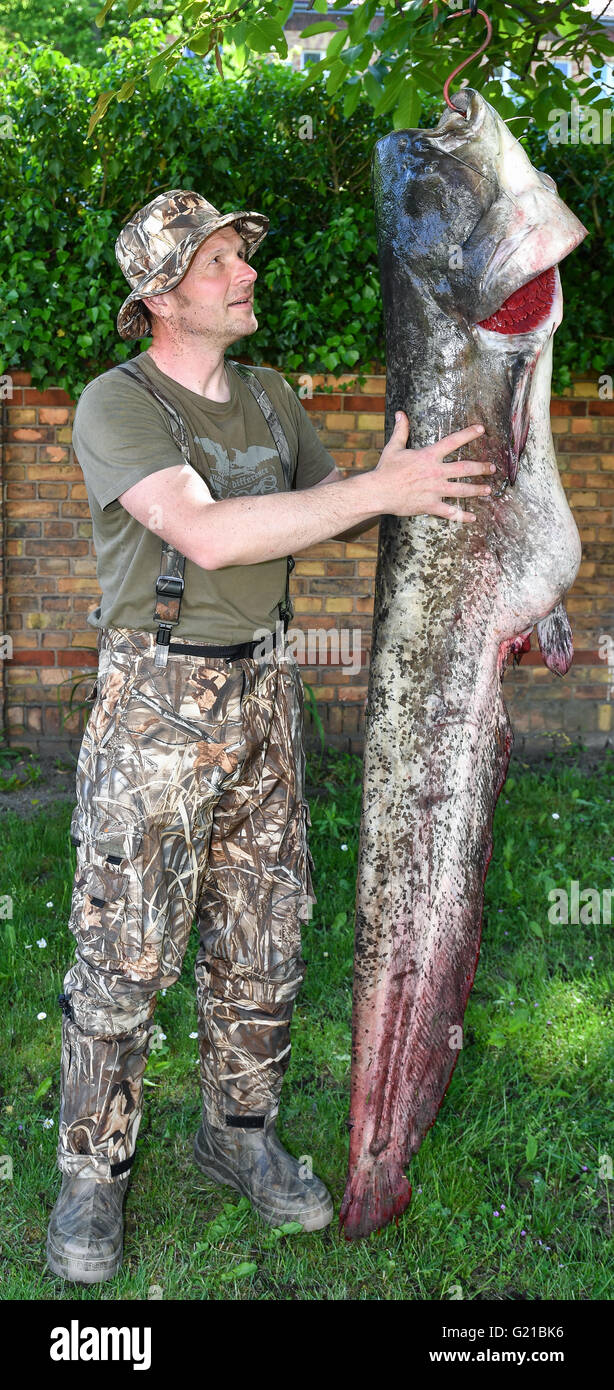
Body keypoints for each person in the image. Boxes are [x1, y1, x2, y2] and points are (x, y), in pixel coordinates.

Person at [46, 188, 494, 1284]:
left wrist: (411, 503)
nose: (245, 273)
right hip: (156, 698)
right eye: (216, 264)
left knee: (264, 938)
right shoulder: (118, 404)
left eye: (242, 254)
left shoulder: (271, 398)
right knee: (125, 953)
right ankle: (91, 1178)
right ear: (157, 298)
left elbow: (332, 501)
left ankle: (234, 1133)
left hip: (263, 697)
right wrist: (373, 493)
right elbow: (202, 529)